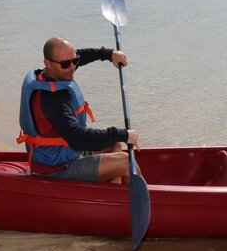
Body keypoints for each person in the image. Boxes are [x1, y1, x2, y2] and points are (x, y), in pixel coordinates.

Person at [17, 37, 138, 183]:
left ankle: (111, 198)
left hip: (67, 153)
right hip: (56, 168)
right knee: (125, 162)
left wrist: (108, 54)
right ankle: (146, 201)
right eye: (66, 64)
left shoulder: (54, 72)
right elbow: (78, 138)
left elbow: (79, 56)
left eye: (75, 61)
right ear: (47, 63)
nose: (72, 67)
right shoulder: (53, 99)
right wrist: (123, 134)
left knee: (114, 145)